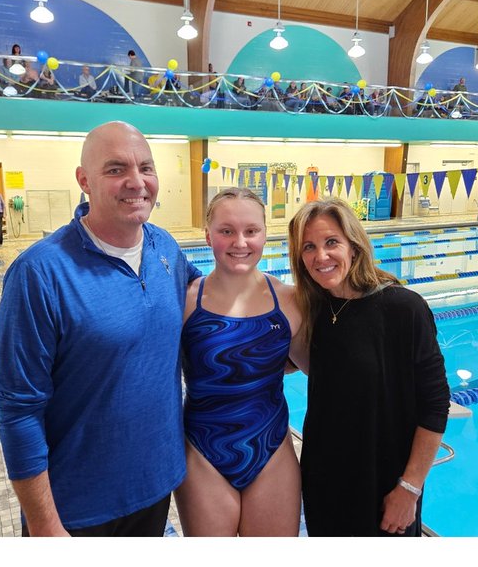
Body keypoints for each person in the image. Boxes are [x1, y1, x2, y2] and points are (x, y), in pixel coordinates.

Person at [0, 122, 199, 535]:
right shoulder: (39, 273)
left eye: (146, 167)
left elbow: (220, 305)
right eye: (116, 169)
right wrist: (45, 525)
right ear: (84, 180)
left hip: (156, 489)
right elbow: (18, 410)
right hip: (76, 512)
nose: (136, 182)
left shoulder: (167, 250)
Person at [288, 198, 450, 536]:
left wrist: (410, 488)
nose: (321, 256)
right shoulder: (312, 309)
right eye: (309, 247)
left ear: (354, 245)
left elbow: (434, 406)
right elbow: (285, 364)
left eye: (331, 242)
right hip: (324, 481)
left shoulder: (404, 310)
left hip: (385, 484)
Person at [175, 188, 302, 536]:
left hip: (271, 449)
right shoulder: (186, 300)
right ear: (207, 235)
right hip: (203, 451)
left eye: (251, 231)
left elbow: (323, 368)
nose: (240, 242)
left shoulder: (290, 300)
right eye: (226, 230)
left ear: (265, 233)